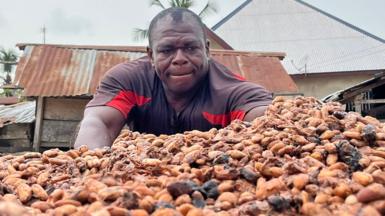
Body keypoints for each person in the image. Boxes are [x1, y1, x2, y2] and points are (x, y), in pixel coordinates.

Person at [74, 8, 272, 150]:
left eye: (190, 48)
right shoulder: (128, 80)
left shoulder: (234, 92)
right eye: (167, 50)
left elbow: (267, 124)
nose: (179, 59)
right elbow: (98, 122)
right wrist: (90, 167)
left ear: (207, 50)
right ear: (151, 56)